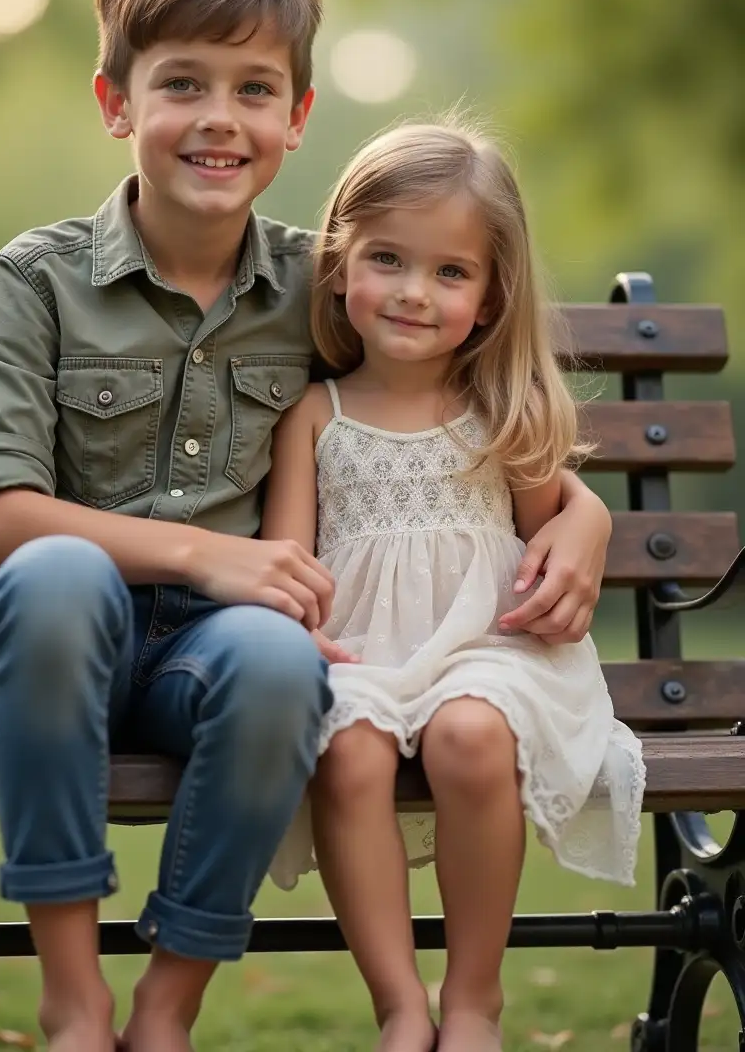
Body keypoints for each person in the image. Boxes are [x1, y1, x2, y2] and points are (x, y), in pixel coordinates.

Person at [0, 0, 615, 1052]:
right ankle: (74, 998)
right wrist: (207, 552)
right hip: (42, 644)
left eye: (254, 89)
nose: (217, 118)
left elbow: (456, 401)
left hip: (215, 652)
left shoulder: (331, 279)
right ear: (117, 103)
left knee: (276, 654)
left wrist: (581, 514)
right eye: (182, 82)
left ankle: (165, 1007)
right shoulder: (38, 278)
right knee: (58, 577)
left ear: (296, 119)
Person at [262, 120, 645, 1052]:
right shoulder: (317, 414)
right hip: (361, 653)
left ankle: (474, 999)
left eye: (449, 272)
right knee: (345, 743)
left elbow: (558, 519)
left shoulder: (503, 411)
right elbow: (286, 560)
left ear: (489, 296)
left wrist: (587, 517)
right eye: (387, 259)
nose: (412, 293)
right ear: (342, 265)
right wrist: (294, 628)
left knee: (472, 733)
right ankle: (399, 1004)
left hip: (492, 649)